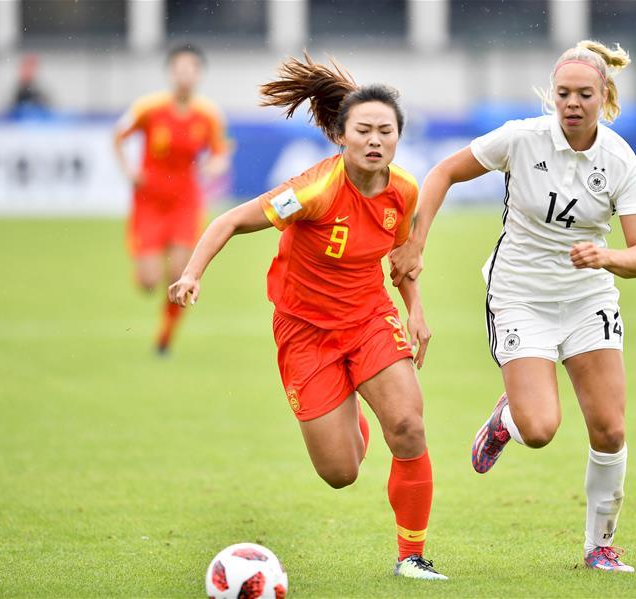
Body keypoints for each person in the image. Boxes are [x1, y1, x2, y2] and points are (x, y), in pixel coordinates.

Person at [168, 53, 446, 580]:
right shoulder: (314, 191)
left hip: (369, 318)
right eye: (363, 130)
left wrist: (416, 311)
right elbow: (230, 220)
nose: (374, 140)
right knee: (341, 472)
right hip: (305, 332)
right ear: (341, 136)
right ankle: (348, 407)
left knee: (408, 425)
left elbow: (402, 258)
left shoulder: (404, 191)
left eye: (385, 131)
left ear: (397, 137)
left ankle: (412, 557)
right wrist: (192, 273)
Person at [390, 40, 636, 572]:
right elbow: (442, 173)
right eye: (563, 94)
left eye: (584, 94)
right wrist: (416, 242)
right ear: (551, 96)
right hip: (519, 297)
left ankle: (599, 546)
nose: (572, 103)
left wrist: (605, 256)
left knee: (610, 428)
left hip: (588, 298)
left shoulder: (622, 160)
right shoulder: (520, 138)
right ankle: (508, 416)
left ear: (605, 97)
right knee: (539, 430)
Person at [114, 44, 230, 354]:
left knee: (181, 275)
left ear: (199, 74)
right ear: (170, 73)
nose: (185, 76)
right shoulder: (149, 108)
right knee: (149, 281)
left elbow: (220, 152)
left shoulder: (207, 114)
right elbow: (118, 137)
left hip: (184, 202)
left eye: (191, 70)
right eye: (179, 69)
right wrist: (129, 170)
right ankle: (143, 266)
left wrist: (214, 166)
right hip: (150, 200)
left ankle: (164, 338)